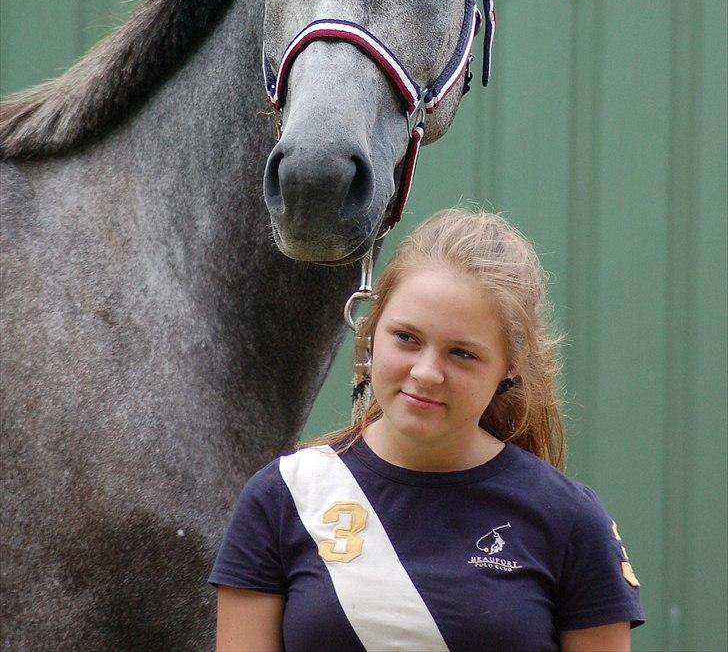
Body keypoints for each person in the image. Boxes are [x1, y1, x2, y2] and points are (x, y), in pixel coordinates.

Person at [210, 209, 644, 651]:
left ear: (511, 365)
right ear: (372, 329)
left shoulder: (570, 520)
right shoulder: (283, 497)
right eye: (406, 338)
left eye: (462, 354)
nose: (426, 372)